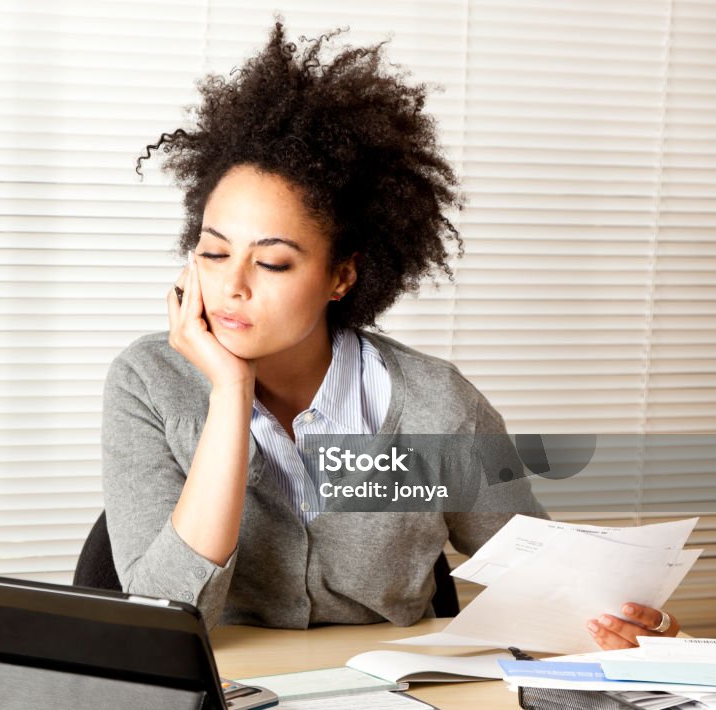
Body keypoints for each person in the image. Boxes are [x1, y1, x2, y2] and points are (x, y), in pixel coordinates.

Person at [100, 20, 679, 649]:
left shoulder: (437, 406)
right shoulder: (149, 383)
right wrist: (230, 394)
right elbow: (159, 618)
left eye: (271, 262)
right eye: (213, 253)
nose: (233, 286)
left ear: (341, 276)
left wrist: (638, 624)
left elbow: (551, 582)